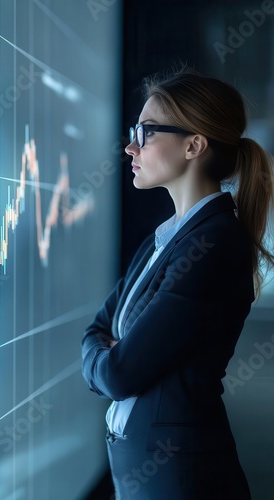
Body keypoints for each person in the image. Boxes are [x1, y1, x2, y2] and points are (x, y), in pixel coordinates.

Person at [81, 67, 274, 499]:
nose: (131, 146)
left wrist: (105, 357)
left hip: (180, 479)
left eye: (146, 132)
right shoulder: (168, 236)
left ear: (194, 145)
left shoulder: (213, 245)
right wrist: (107, 353)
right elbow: (97, 331)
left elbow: (119, 373)